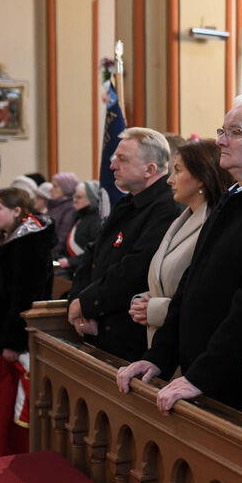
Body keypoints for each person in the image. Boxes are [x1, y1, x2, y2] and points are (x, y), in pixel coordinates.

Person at [117, 98, 242, 420]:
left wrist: (201, 376)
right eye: (222, 130)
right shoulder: (234, 197)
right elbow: (190, 284)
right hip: (201, 375)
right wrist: (158, 357)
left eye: (234, 132)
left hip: (231, 387)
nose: (220, 140)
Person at [67, 128, 180, 362]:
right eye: (115, 158)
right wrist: (78, 303)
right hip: (98, 326)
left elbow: (135, 269)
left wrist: (87, 304)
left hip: (129, 340)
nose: (112, 166)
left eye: (122, 160)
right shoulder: (127, 203)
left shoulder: (166, 209)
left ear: (149, 169)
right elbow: (92, 254)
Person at [128, 140, 231, 347]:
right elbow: (164, 278)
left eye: (177, 171)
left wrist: (156, 309)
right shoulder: (181, 220)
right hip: (161, 337)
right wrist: (143, 301)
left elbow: (209, 296)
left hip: (189, 344)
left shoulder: (214, 224)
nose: (169, 180)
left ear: (201, 178)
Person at [0, 187, 55, 459]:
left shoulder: (29, 246)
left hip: (13, 340)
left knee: (10, 403)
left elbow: (23, 298)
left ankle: (8, 458)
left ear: (17, 211)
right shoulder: (8, 238)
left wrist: (12, 341)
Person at [56, 181, 106, 278]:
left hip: (85, 275)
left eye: (79, 197)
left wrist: (70, 262)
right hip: (75, 270)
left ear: (91, 198)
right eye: (74, 197)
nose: (74, 200)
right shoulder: (81, 217)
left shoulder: (96, 221)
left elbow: (96, 253)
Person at [48, 171, 80, 250]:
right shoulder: (54, 205)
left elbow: (62, 238)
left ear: (66, 188)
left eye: (55, 186)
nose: (51, 190)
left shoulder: (70, 209)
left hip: (58, 254)